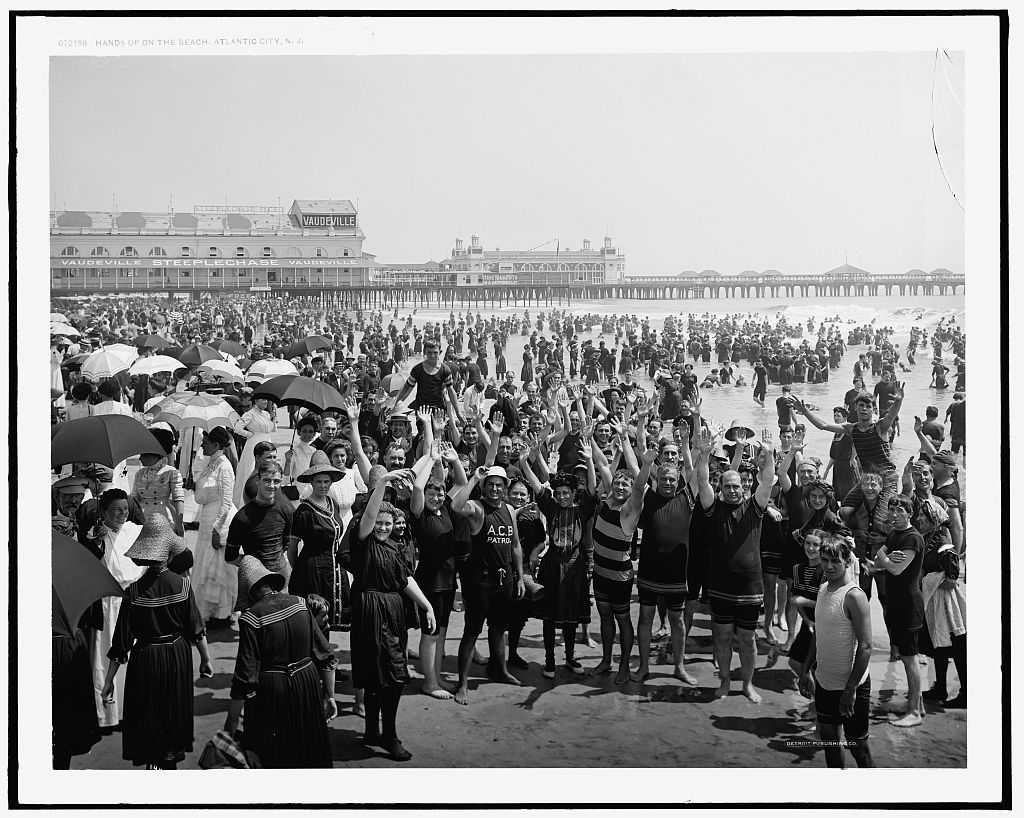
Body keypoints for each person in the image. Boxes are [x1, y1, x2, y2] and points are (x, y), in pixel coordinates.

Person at [99, 515, 213, 769]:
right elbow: (196, 630)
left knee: (148, 711)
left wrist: (108, 683)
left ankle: (152, 761)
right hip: (176, 655)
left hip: (145, 657)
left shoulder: (134, 591)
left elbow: (121, 644)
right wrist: (206, 660)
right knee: (173, 708)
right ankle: (169, 758)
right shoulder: (183, 585)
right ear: (169, 554)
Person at [352, 470, 436, 760]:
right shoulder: (364, 539)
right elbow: (369, 515)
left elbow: (405, 580)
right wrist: (384, 483)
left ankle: (375, 731)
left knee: (386, 675)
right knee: (389, 676)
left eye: (388, 523)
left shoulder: (394, 546)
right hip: (371, 611)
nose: (383, 527)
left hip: (393, 611)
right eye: (380, 523)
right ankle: (388, 735)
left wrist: (427, 604)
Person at [223, 557, 337, 768]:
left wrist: (230, 725)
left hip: (273, 691)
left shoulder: (251, 619)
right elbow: (325, 656)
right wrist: (329, 696)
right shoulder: (301, 603)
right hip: (308, 681)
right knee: (310, 750)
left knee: (275, 754)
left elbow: (246, 678)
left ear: (249, 591)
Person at [694, 426, 774, 704]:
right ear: (722, 488)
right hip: (720, 587)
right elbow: (703, 483)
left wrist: (769, 452)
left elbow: (768, 482)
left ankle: (748, 685)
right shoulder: (713, 508)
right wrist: (704, 455)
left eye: (736, 486)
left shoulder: (755, 507)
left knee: (748, 640)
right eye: (726, 486)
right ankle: (725, 682)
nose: (731, 490)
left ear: (744, 487)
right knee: (723, 637)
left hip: (751, 588)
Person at [796, 534, 875, 768]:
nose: (828, 566)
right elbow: (818, 634)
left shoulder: (854, 596)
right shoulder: (822, 590)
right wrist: (806, 669)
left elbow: (866, 646)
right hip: (825, 683)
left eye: (835, 561)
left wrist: (850, 690)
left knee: (858, 747)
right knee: (830, 743)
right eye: (824, 560)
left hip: (852, 687)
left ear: (847, 562)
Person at [450, 465, 527, 704]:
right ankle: (462, 683)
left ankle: (499, 669)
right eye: (490, 485)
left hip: (504, 579)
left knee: (498, 628)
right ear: (484, 488)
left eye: (499, 485)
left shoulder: (510, 510)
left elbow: (515, 545)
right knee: (472, 631)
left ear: (505, 489)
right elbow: (456, 506)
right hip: (480, 581)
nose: (495, 489)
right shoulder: (477, 508)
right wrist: (474, 478)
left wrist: (520, 576)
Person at [80, 489, 147, 731]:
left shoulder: (136, 531)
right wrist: (94, 543)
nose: (122, 513)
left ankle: (131, 710)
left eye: (125, 508)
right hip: (108, 605)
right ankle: (107, 714)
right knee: (106, 657)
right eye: (116, 509)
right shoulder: (95, 535)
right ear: (104, 511)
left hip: (134, 602)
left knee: (132, 658)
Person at [863, 494, 926, 727]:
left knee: (910, 658)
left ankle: (915, 713)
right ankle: (915, 705)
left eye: (900, 510)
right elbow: (880, 559)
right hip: (896, 604)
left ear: (910, 513)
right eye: (892, 509)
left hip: (909, 605)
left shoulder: (912, 538)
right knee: (905, 655)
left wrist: (884, 559)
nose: (895, 514)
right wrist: (884, 560)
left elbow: (896, 570)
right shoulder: (894, 533)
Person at [587, 449, 649, 684]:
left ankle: (623, 665)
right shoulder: (606, 501)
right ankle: (606, 660)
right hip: (600, 573)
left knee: (623, 620)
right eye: (618, 483)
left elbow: (638, 490)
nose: (620, 487)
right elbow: (602, 464)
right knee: (604, 616)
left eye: (626, 485)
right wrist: (589, 434)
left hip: (619, 578)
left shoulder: (629, 512)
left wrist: (645, 465)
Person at [287, 451, 348, 628]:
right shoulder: (304, 511)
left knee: (326, 619)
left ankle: (324, 654)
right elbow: (292, 546)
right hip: (311, 571)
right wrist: (299, 571)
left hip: (334, 568)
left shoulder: (332, 503)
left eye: (326, 481)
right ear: (311, 482)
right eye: (318, 481)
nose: (322, 486)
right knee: (314, 617)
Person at [191, 427, 238, 623]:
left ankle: (221, 613)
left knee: (217, 567)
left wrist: (218, 529)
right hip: (206, 518)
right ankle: (208, 611)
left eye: (206, 442)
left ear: (217, 445)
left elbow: (226, 500)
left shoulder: (224, 466)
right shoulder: (210, 463)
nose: (202, 445)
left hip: (220, 519)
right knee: (205, 564)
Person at [226, 461, 294, 585]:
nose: (272, 485)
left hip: (281, 578)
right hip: (255, 581)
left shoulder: (286, 511)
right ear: (257, 480)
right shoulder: (242, 517)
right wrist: (254, 564)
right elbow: (230, 557)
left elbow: (285, 544)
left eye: (276, 481)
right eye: (267, 480)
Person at [130, 427, 185, 535]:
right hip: (143, 519)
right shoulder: (139, 474)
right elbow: (134, 500)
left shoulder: (171, 472)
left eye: (144, 455)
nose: (140, 459)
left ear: (156, 454)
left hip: (165, 519)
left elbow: (178, 500)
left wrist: (179, 524)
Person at [232, 395, 278, 509]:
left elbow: (273, 429)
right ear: (256, 401)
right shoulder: (250, 414)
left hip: (267, 443)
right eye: (263, 399)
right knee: (251, 471)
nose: (265, 401)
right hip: (254, 444)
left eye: (266, 399)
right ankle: (245, 501)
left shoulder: (266, 414)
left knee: (268, 470)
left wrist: (273, 417)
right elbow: (237, 428)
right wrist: (249, 435)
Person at [822, 407, 860, 503]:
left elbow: (856, 443)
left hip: (847, 467)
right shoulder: (837, 433)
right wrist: (827, 469)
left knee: (849, 494)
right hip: (838, 467)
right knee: (839, 494)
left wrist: (852, 458)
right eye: (834, 416)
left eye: (838, 416)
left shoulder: (848, 430)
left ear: (845, 418)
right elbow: (834, 456)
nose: (835, 418)